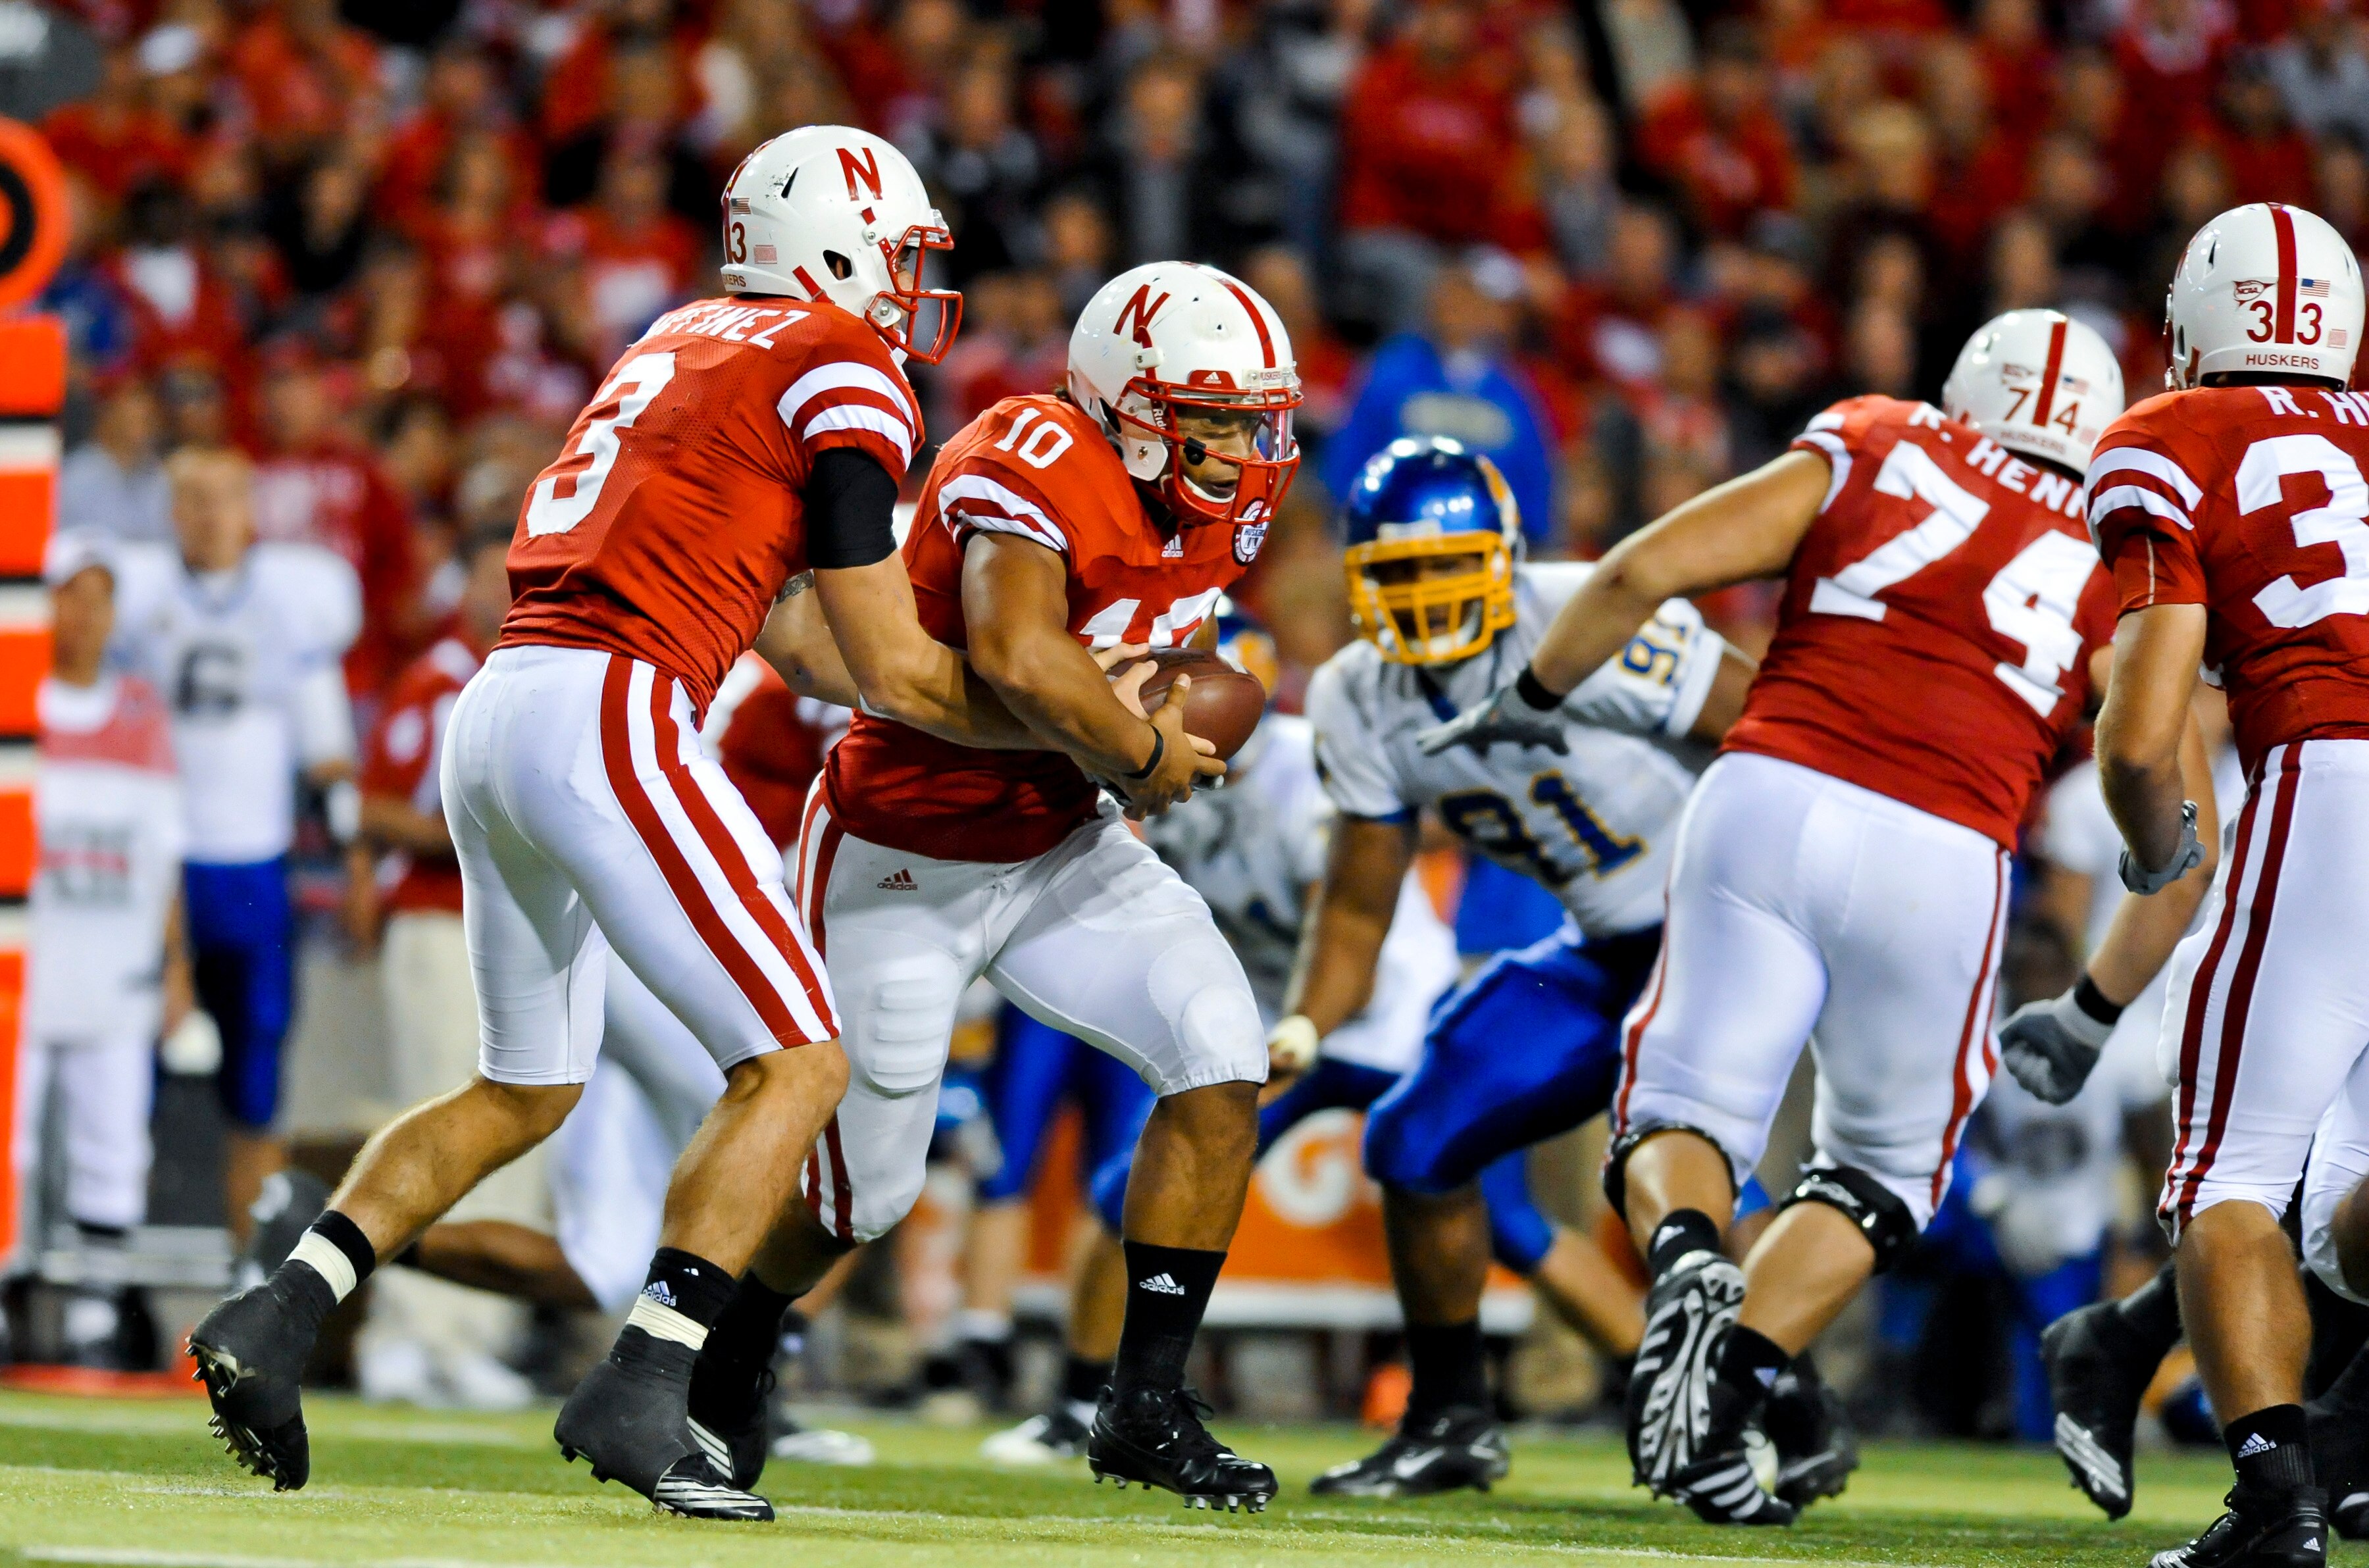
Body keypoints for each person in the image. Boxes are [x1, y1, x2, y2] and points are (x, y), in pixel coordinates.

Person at [188, 126, 1041, 1521]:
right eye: (895, 253)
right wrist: (1070, 727)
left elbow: (810, 646)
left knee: (526, 1086)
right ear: (831, 246)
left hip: (506, 701)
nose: (905, 288)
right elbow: (888, 662)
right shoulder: (840, 361)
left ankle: (281, 1311)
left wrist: (974, 705)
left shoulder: (684, 339)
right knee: (801, 1062)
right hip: (613, 705)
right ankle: (648, 1379)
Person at [1453, 309, 2216, 1525]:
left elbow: (1640, 570)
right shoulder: (2125, 548)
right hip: (1945, 845)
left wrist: (1531, 693)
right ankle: (1729, 1393)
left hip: (1769, 791)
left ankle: (1689, 1261)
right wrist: (2093, 994)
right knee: (1881, 1171)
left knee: (1680, 1105)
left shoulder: (1878, 436)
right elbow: (2164, 812)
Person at [691, 259, 1299, 1513]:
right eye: (1214, 416)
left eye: (1253, 416)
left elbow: (1147, 651)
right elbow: (1021, 652)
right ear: (1131, 403)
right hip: (902, 848)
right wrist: (1139, 746)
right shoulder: (1031, 454)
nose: (1243, 446)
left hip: (1062, 842)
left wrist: (1172, 696)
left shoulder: (1225, 503)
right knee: (866, 1195)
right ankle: (734, 1348)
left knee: (1221, 1055)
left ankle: (1139, 1400)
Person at [1256, 436, 1803, 1500]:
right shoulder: (1356, 696)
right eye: (1398, 575)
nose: (1421, 601)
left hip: (1719, 927)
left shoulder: (1581, 614)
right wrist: (1304, 1028)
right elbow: (1360, 903)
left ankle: (1777, 1406)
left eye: (1446, 567)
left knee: (1685, 1162)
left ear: (1505, 558)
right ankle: (1451, 1419)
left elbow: (1775, 736)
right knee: (1414, 1136)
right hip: (1600, 946)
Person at [982, 607, 1464, 1467]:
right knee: (1124, 1186)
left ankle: (1496, 1401)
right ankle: (1079, 1399)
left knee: (1478, 1200)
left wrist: (1303, 1021)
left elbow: (1343, 923)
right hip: (1278, 1010)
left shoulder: (1302, 773)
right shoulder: (1155, 776)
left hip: (1374, 1010)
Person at [2079, 200, 2369, 1568]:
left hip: (2332, 781)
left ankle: (2273, 1504)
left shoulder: (2170, 436)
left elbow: (2145, 734)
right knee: (2353, 1212)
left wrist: (2158, 845)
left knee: (2226, 1176)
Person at [105, 448, 361, 1248]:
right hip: (152, 867)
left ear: (252, 509)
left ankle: (253, 1266)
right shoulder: (136, 592)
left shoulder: (293, 598)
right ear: (170, 511)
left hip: (251, 866)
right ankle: (114, 1275)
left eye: (222, 498)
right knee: (123, 1081)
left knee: (257, 1085)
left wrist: (352, 852)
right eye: (192, 499)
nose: (209, 515)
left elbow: (327, 751)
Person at [346, 528, 546, 1411]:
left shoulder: (546, 673)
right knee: (435, 1113)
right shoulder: (439, 676)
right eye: (489, 570)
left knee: (518, 1136)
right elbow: (376, 799)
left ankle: (470, 1335)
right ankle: (402, 1330)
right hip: (439, 920)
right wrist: (479, 831)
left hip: (528, 926)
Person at [7, 535, 187, 1367]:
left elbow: (166, 853)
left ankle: (96, 1303)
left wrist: (176, 963)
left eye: (98, 596)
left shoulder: (143, 713)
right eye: (67, 594)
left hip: (114, 962)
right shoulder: (16, 704)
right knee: (14, 1137)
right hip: (22, 965)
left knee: (112, 1137)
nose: (83, 614)